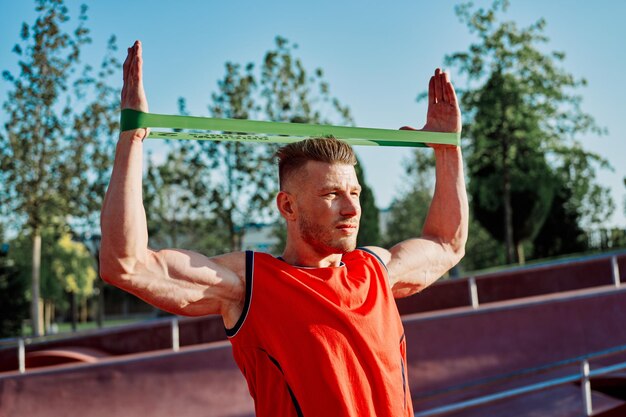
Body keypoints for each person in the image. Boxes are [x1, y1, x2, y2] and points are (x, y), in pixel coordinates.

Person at [100, 40, 468, 417]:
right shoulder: (252, 285)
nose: (351, 207)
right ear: (287, 206)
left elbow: (446, 242)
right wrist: (133, 136)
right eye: (331, 194)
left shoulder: (374, 270)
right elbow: (125, 263)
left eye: (354, 192)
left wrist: (447, 150)